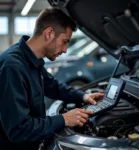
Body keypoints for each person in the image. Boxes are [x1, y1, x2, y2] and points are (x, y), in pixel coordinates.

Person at [0, 7, 104, 150]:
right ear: (49, 33)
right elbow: (19, 130)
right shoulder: (12, 67)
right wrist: (64, 119)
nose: (65, 50)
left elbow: (52, 86)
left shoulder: (31, 58)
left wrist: (83, 96)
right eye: (65, 41)